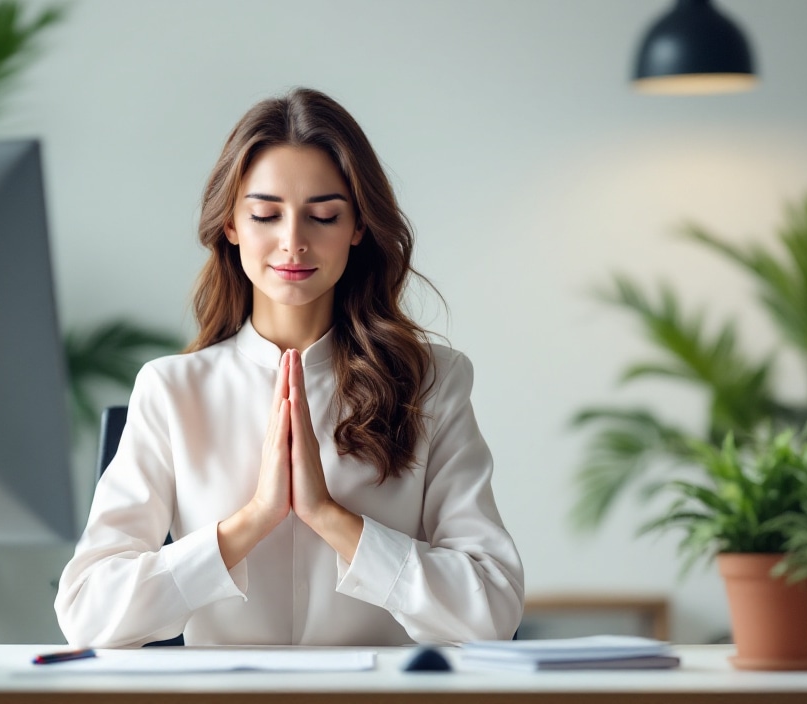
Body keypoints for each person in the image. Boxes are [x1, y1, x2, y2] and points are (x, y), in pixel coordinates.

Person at [55, 88, 524, 647]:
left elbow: (493, 610)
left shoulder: (433, 383)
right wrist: (252, 520)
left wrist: (331, 518)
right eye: (265, 214)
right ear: (231, 224)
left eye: (323, 216)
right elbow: (87, 614)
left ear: (358, 227)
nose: (293, 242)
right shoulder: (171, 389)